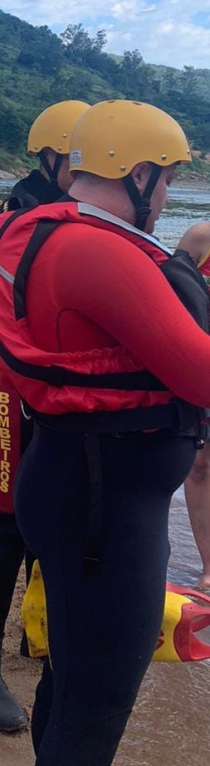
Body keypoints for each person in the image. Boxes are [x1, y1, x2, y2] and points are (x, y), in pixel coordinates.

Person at [0, 98, 210, 766]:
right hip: (104, 513)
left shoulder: (45, 231)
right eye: (167, 181)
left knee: (73, 681)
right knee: (95, 705)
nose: (169, 197)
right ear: (137, 173)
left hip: (74, 485)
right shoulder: (96, 253)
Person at [0, 101, 90, 734]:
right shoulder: (15, 222)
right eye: (81, 160)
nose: (93, 172)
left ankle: (37, 631)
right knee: (10, 522)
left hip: (65, 392)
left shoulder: (82, 216)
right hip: (17, 390)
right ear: (49, 158)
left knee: (61, 516)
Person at [176, 222, 210, 588]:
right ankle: (208, 567)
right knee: (199, 465)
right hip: (202, 366)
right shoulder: (200, 237)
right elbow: (169, 296)